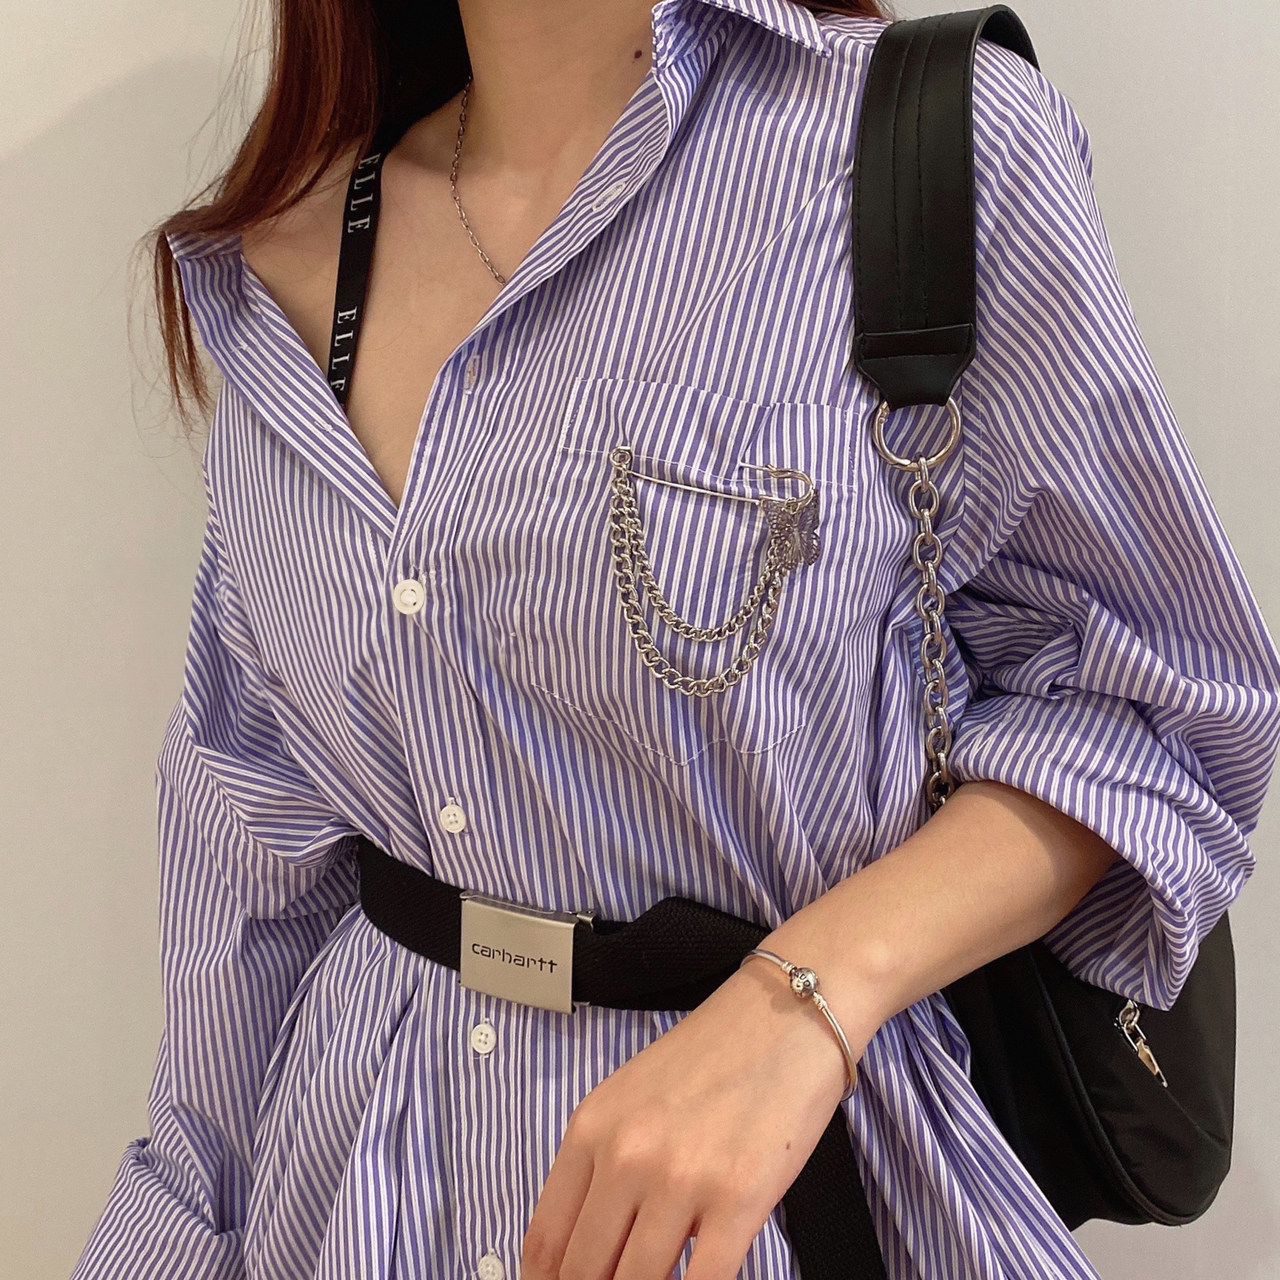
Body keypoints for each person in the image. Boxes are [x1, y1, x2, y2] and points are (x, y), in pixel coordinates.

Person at [72, 0, 1280, 1277]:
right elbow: (249, 839)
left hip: (798, 1201)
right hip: (357, 1198)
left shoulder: (913, 146)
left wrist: (800, 998)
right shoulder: (280, 264)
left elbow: (1154, 708)